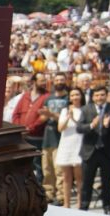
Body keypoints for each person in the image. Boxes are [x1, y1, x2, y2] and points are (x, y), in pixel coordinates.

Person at [77, 86, 110, 214]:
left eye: (102, 95)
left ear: (106, 95)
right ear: (92, 97)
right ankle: (84, 208)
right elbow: (79, 128)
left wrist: (109, 125)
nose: (99, 98)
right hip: (90, 151)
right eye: (96, 95)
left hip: (108, 151)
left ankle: (107, 207)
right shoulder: (86, 109)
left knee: (107, 183)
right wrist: (92, 125)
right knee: (87, 183)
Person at [12, 71, 51, 184]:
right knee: (22, 165)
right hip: (22, 137)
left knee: (38, 165)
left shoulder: (47, 97)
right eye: (42, 80)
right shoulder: (25, 95)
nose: (44, 83)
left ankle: (37, 189)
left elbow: (43, 118)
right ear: (34, 82)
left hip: (37, 138)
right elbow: (16, 113)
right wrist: (19, 128)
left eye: (45, 80)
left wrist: (30, 128)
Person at [41, 73, 71, 204]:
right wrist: (44, 115)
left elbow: (67, 119)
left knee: (59, 170)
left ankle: (60, 195)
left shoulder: (69, 98)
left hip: (62, 137)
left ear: (65, 81)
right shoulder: (48, 98)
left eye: (61, 79)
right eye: (57, 79)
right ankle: (48, 193)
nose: (59, 82)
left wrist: (51, 114)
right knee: (46, 168)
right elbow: (43, 118)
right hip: (47, 136)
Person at [56, 87, 86, 209]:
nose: (74, 97)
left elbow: (84, 127)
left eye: (77, 94)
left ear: (81, 96)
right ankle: (66, 203)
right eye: (72, 95)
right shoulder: (64, 111)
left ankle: (80, 203)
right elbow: (60, 128)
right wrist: (69, 116)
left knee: (79, 177)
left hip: (80, 144)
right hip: (66, 144)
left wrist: (74, 118)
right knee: (66, 177)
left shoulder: (85, 110)